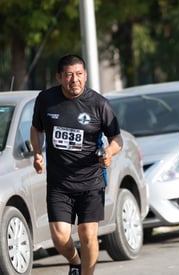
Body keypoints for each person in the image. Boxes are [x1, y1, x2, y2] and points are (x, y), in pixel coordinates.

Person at [30, 54, 123, 275]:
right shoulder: (46, 100)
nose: (75, 80)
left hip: (90, 181)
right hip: (59, 182)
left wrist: (109, 152)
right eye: (69, 75)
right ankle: (75, 261)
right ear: (59, 77)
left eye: (79, 74)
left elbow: (117, 138)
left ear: (86, 76)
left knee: (87, 233)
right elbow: (36, 129)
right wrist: (36, 153)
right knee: (60, 236)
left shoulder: (99, 104)